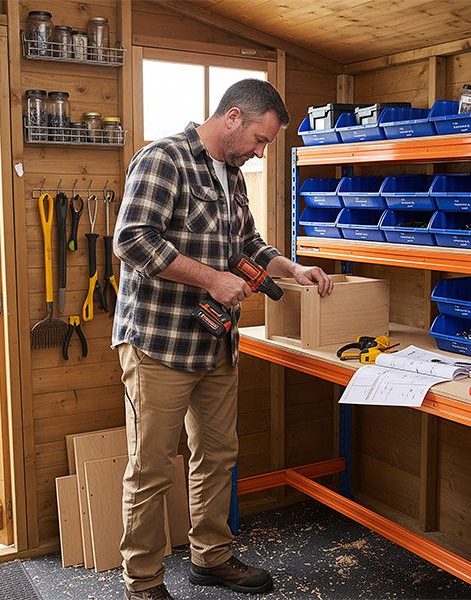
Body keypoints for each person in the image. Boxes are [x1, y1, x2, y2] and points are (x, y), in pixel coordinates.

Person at [112, 79, 334, 600]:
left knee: (217, 455)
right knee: (150, 466)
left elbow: (247, 244)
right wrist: (212, 279)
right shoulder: (163, 159)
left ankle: (210, 557)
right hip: (159, 344)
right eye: (260, 139)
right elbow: (131, 238)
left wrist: (291, 267)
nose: (260, 152)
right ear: (233, 117)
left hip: (215, 343)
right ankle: (142, 583)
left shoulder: (232, 176)